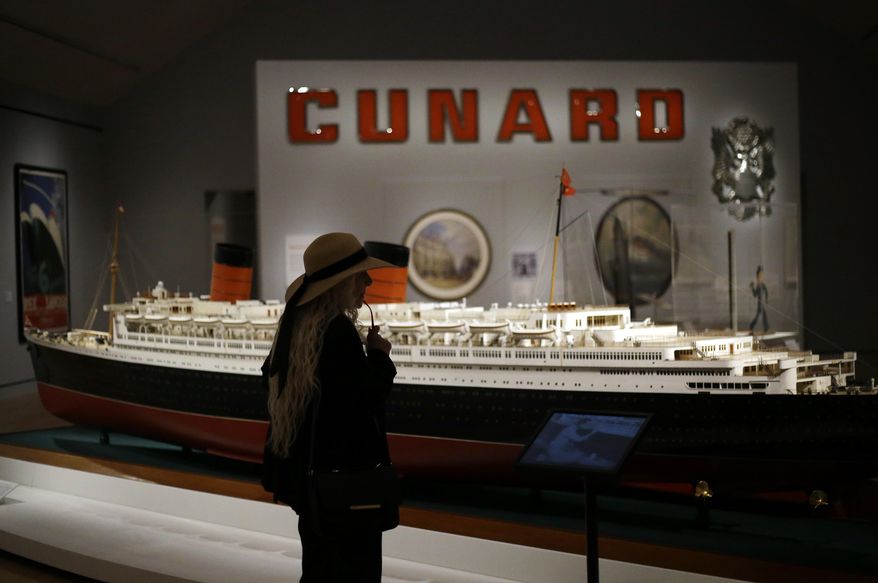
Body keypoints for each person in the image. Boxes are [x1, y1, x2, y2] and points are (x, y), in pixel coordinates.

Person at [265, 232, 397, 582]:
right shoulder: (338, 331)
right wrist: (380, 358)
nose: (368, 281)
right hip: (347, 486)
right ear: (339, 283)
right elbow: (360, 404)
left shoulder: (297, 327)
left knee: (319, 571)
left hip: (313, 485)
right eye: (360, 275)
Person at [749, 265, 769, 333]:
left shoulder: (762, 284)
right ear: (757, 276)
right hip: (760, 303)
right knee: (758, 316)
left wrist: (766, 299)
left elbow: (766, 291)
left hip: (762, 303)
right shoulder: (758, 285)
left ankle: (766, 327)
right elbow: (755, 295)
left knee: (764, 315)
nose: (761, 276)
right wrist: (752, 288)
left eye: (762, 275)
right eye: (760, 275)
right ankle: (751, 326)